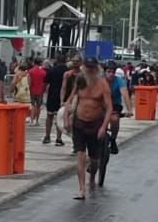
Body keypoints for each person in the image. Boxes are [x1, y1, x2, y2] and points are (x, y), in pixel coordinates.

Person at [67, 58, 113, 199]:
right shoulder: (80, 81)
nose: (90, 70)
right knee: (80, 155)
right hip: (79, 123)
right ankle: (81, 188)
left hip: (95, 124)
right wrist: (65, 118)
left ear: (97, 68)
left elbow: (109, 107)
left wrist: (104, 127)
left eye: (92, 67)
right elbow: (71, 99)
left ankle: (93, 175)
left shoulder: (102, 84)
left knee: (94, 160)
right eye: (88, 67)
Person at [43, 56, 67, 145]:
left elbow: (45, 83)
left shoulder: (51, 70)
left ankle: (47, 136)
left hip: (51, 95)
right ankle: (58, 138)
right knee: (59, 117)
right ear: (65, 60)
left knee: (49, 116)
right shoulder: (67, 71)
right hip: (63, 97)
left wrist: (42, 93)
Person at [27, 58, 46, 126]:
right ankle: (37, 120)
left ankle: (31, 120)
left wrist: (28, 89)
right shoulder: (43, 72)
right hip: (40, 91)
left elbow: (29, 82)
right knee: (38, 106)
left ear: (34, 62)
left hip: (32, 90)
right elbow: (44, 83)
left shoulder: (30, 71)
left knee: (32, 105)